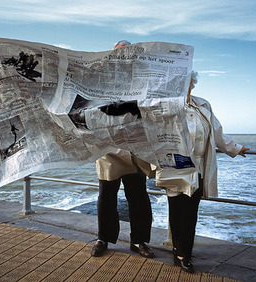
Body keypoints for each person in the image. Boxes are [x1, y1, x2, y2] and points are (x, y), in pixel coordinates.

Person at [155, 72, 249, 273]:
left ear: (192, 84)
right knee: (176, 209)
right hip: (174, 167)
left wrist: (236, 148)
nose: (183, 84)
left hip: (197, 168)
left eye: (187, 80)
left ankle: (184, 253)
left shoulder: (202, 105)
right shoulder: (164, 106)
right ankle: (179, 251)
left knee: (190, 213)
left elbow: (216, 131)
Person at [90, 40, 155, 258]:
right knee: (106, 196)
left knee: (138, 197)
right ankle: (103, 238)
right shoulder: (102, 78)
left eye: (127, 52)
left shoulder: (141, 78)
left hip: (135, 147)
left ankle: (139, 241)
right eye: (119, 53)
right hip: (108, 147)